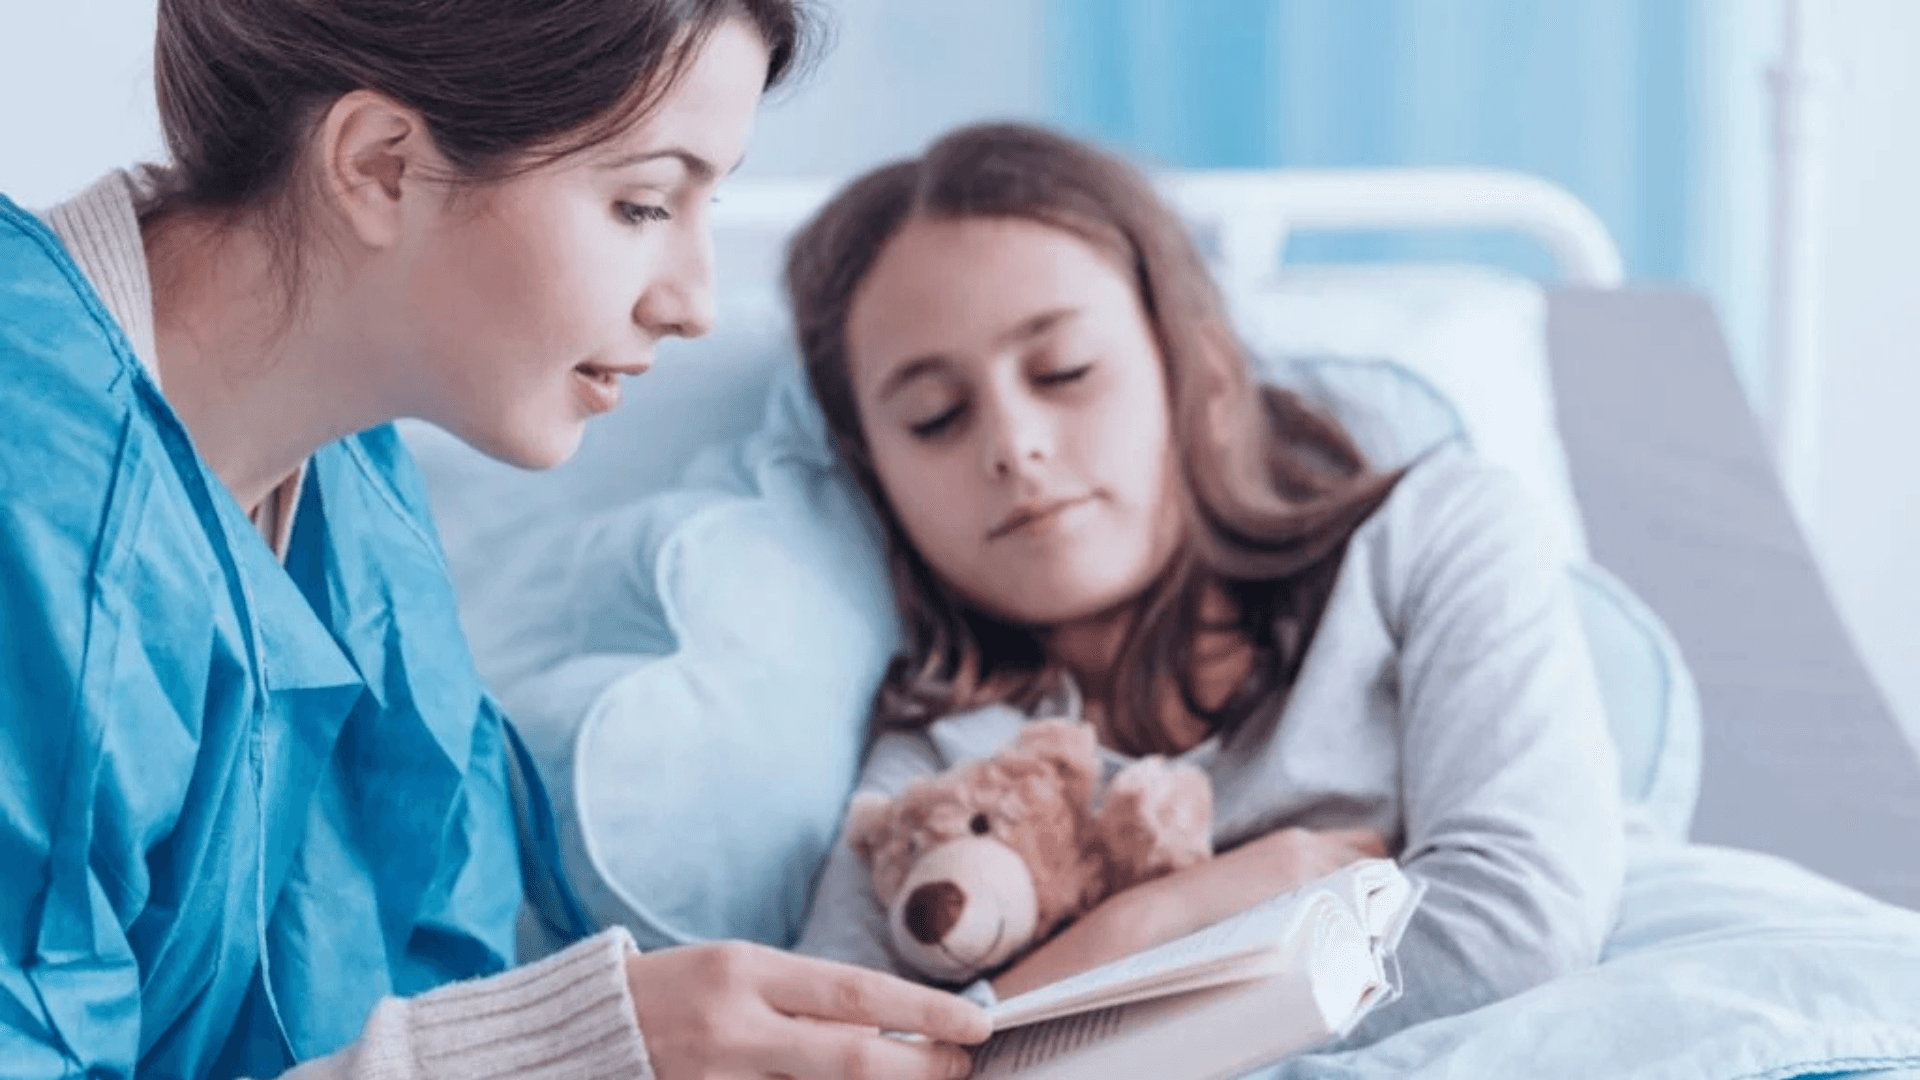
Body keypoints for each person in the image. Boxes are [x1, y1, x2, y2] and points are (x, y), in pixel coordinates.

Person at [0, 1, 988, 1078]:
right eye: (645, 202)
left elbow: (392, 992)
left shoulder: (353, 505)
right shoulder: (34, 492)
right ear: (381, 167)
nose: (695, 302)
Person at [784, 122, 1626, 1044]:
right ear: (876, 478)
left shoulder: (1436, 540)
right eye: (935, 417)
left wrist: (1027, 1019)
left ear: (1203, 369)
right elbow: (849, 1064)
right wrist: (1167, 915)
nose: (1012, 447)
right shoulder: (936, 760)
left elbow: (1513, 934)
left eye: (1064, 370)